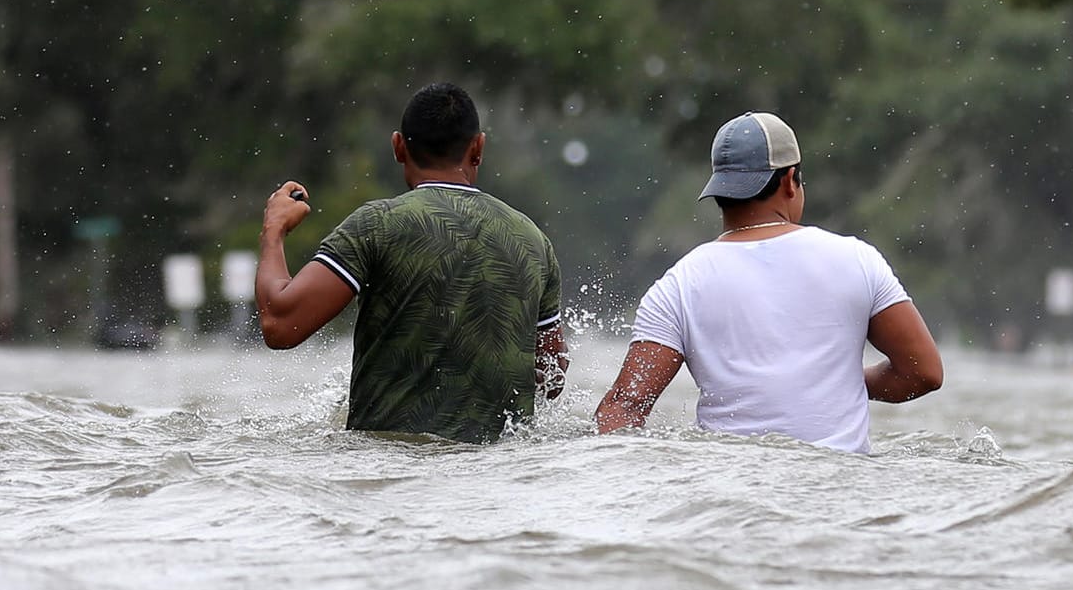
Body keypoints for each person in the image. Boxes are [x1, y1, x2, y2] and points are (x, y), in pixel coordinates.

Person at [595, 111, 942, 453]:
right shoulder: (857, 261)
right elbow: (924, 372)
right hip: (838, 492)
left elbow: (623, 408)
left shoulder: (678, 285)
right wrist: (846, 381)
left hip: (727, 491)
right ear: (791, 180)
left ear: (720, 189)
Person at [256, 83, 568, 442]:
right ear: (478, 147)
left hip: (393, 470)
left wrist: (273, 231)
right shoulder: (531, 239)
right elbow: (551, 375)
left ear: (398, 147)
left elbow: (280, 325)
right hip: (497, 478)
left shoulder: (377, 225)